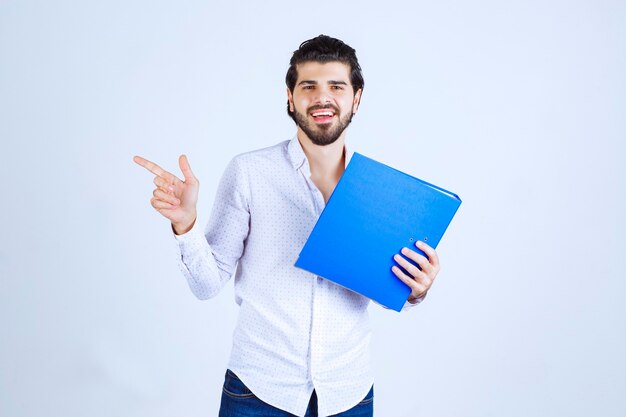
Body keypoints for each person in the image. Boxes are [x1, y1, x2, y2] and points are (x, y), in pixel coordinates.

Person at [134, 35, 440, 417]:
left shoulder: (384, 194)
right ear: (290, 98)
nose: (321, 97)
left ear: (356, 98)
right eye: (308, 86)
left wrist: (417, 289)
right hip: (257, 393)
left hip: (348, 394)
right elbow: (207, 284)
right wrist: (186, 224)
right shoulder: (249, 172)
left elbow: (387, 288)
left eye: (336, 87)